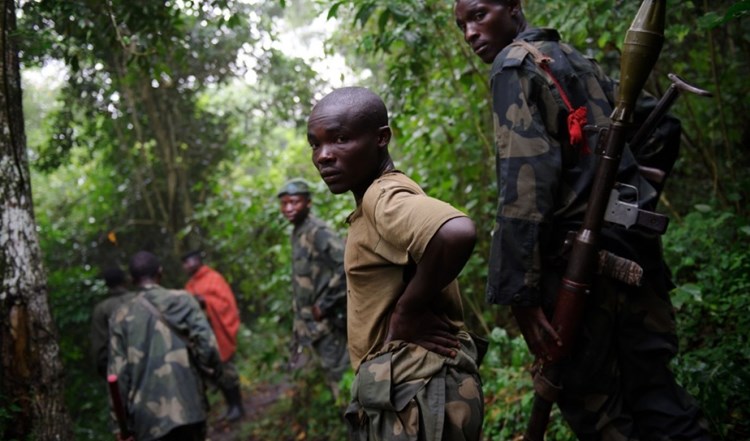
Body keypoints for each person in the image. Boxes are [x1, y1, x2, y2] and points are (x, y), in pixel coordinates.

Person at [454, 1, 711, 439]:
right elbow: (660, 123)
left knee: (599, 414)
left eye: (479, 14)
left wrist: (521, 293)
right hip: (634, 254)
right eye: (462, 25)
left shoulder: (512, 66)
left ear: (514, 8)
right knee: (658, 398)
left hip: (579, 268)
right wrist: (629, 199)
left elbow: (524, 186)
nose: (470, 33)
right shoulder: (574, 59)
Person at [308, 86, 484, 440]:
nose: (324, 156)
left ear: (381, 139)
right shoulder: (373, 200)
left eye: (340, 139)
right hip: (411, 390)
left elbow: (456, 232)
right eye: (315, 144)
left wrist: (408, 309)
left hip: (416, 391)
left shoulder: (381, 195)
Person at [108, 251, 222, 441]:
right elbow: (208, 346)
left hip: (146, 418)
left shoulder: (120, 315)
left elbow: (117, 375)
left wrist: (120, 426)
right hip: (189, 405)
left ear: (131, 279)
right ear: (160, 272)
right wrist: (211, 378)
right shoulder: (184, 300)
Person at [277, 178, 350, 399]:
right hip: (311, 327)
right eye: (285, 203)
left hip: (327, 325)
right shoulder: (298, 231)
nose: (289, 208)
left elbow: (346, 266)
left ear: (308, 203)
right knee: (328, 376)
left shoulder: (317, 231)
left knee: (341, 378)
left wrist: (325, 305)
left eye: (295, 202)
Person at [181, 250, 244, 421]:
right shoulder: (190, 285)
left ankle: (238, 406)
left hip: (219, 333)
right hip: (205, 337)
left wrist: (206, 302)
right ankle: (230, 405)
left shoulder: (214, 278)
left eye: (187, 262)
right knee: (217, 373)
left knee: (228, 370)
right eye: (184, 264)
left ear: (196, 261)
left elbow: (227, 303)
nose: (185, 266)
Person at [90, 266, 137, 379]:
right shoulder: (141, 299)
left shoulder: (101, 309)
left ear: (107, 284)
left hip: (119, 369)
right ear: (125, 281)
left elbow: (100, 348)